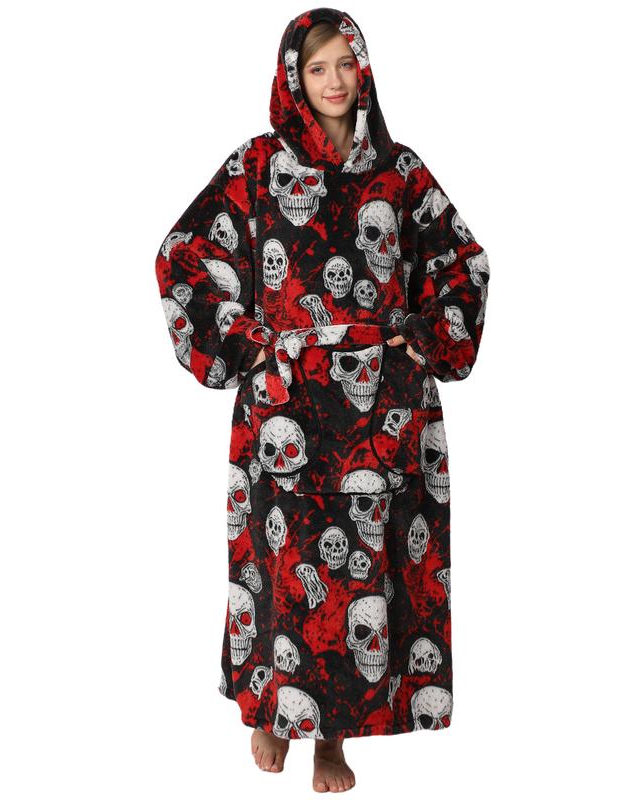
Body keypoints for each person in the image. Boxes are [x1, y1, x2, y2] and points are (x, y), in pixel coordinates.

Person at [154, 6, 490, 793]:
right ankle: (276, 709)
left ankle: (332, 738)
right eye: (317, 67)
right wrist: (243, 342)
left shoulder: (400, 172)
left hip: (382, 409)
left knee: (361, 573)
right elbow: (183, 254)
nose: (334, 80)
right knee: (286, 561)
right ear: (292, 79)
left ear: (363, 68)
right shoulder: (256, 166)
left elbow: (463, 263)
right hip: (288, 406)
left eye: (345, 63)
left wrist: (429, 335)